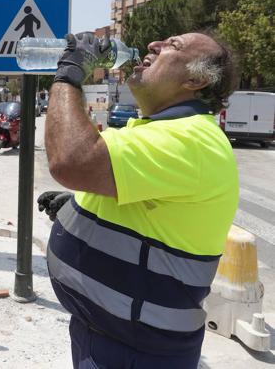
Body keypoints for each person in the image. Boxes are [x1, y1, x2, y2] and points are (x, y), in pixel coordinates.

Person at [38, 32, 240, 368]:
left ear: (195, 79)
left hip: (135, 352)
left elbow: (71, 160)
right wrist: (78, 207)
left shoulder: (192, 140)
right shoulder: (157, 128)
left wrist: (70, 72)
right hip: (107, 333)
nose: (153, 46)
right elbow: (134, 199)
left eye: (172, 46)